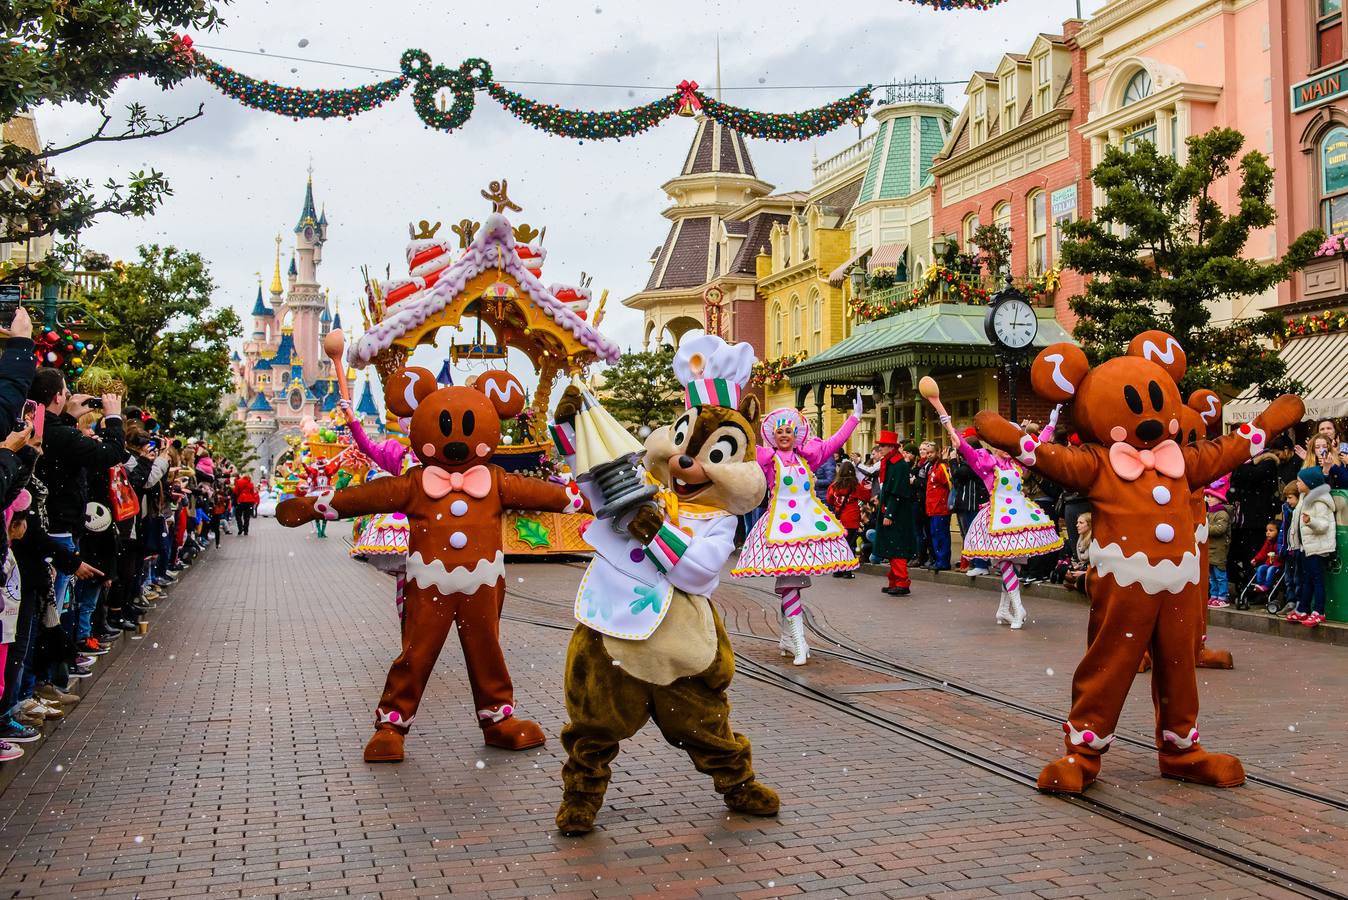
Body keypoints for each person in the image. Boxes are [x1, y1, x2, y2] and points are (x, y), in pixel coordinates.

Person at [732, 395, 862, 665]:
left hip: (807, 526)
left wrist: (854, 418)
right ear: (772, 436)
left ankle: (787, 637)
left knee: (793, 584)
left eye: (788, 431)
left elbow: (834, 442)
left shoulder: (807, 458)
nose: (783, 436)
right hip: (779, 528)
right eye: (778, 431)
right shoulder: (767, 459)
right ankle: (799, 641)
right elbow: (742, 444)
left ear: (795, 434)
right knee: (790, 583)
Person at [932, 401, 1063, 629]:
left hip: (1020, 514)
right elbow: (964, 447)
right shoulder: (987, 463)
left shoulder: (1017, 463)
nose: (1006, 446)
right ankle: (1018, 606)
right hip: (997, 517)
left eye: (1009, 441)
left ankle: (1004, 608)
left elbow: (1037, 447)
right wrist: (945, 418)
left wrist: (1051, 425)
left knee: (1016, 563)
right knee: (1004, 561)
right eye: (1001, 441)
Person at [1287, 466, 1336, 627]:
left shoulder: (1320, 502)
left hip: (1318, 547)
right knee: (1306, 579)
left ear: (1310, 483)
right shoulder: (1304, 497)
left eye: (1300, 481)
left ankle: (1319, 611)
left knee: (1316, 580)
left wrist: (1311, 522)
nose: (1297, 484)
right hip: (1306, 546)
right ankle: (1303, 609)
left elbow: (1324, 525)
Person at [870, 433, 916, 597]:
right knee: (891, 546)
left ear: (891, 447)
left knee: (897, 547)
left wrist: (889, 513)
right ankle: (895, 581)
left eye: (882, 446)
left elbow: (897, 492)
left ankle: (902, 582)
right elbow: (888, 488)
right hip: (889, 508)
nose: (880, 448)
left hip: (896, 512)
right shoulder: (889, 462)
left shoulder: (898, 464)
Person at [950, 428, 991, 577]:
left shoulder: (974, 462)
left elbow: (957, 475)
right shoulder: (978, 459)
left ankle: (981, 564)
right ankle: (978, 562)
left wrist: (953, 461)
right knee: (973, 534)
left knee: (976, 533)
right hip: (972, 502)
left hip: (974, 502)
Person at [825, 460, 870, 579]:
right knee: (850, 545)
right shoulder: (855, 485)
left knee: (839, 545)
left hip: (838, 519)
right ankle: (847, 571)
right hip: (851, 518)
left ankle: (838, 570)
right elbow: (866, 496)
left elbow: (829, 499)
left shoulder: (834, 486)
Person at [1204, 477, 1232, 608]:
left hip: (1219, 548)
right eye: (1207, 496)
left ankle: (1223, 596)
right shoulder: (1209, 513)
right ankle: (1214, 595)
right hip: (1210, 548)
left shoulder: (1222, 513)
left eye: (1211, 496)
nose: (1208, 499)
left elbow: (1220, 530)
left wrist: (1204, 528)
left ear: (1219, 498)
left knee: (1220, 573)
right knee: (1212, 575)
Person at [925, 445, 953, 572]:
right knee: (935, 535)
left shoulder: (941, 467)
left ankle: (943, 561)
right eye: (927, 453)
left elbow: (949, 485)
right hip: (932, 508)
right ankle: (938, 560)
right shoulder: (932, 468)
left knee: (941, 535)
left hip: (940, 508)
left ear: (937, 453)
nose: (929, 455)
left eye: (931, 452)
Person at [910, 442, 934, 567]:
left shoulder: (929, 465)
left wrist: (915, 481)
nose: (922, 451)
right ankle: (920, 556)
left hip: (924, 501)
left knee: (926, 531)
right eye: (921, 449)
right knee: (918, 531)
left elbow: (928, 483)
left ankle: (927, 556)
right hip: (917, 500)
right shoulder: (920, 464)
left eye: (925, 449)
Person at [1251, 520, 1281, 593]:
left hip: (1278, 564)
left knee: (1270, 569)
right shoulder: (1268, 542)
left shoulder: (1280, 542)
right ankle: (1261, 585)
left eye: (1271, 530)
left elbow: (1282, 553)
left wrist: (1277, 557)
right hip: (1269, 563)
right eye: (1267, 530)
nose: (1268, 532)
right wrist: (1256, 559)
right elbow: (1263, 552)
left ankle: (1267, 586)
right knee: (1260, 568)